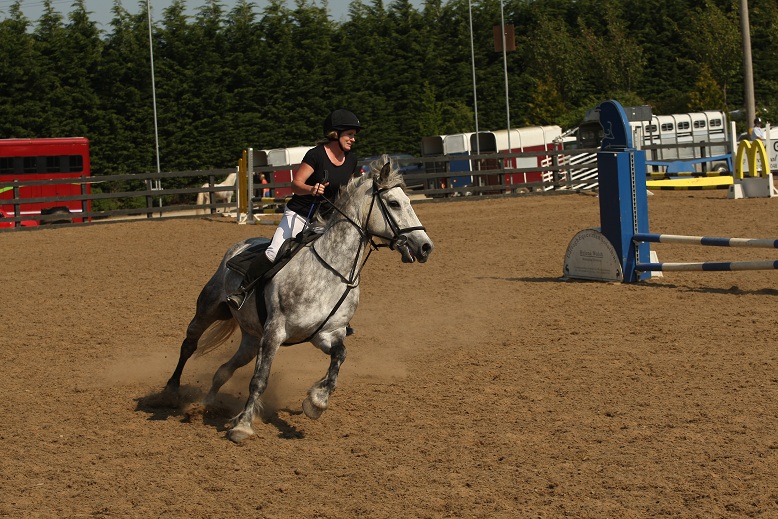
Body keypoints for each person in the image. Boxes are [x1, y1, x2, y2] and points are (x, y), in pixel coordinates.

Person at [226, 109, 363, 320]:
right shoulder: (316, 155)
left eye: (354, 135)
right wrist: (311, 189)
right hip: (300, 214)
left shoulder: (351, 159)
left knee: (335, 259)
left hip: (326, 220)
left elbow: (349, 191)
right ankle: (241, 291)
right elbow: (296, 184)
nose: (353, 139)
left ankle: (334, 316)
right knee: (274, 252)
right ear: (335, 133)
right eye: (350, 134)